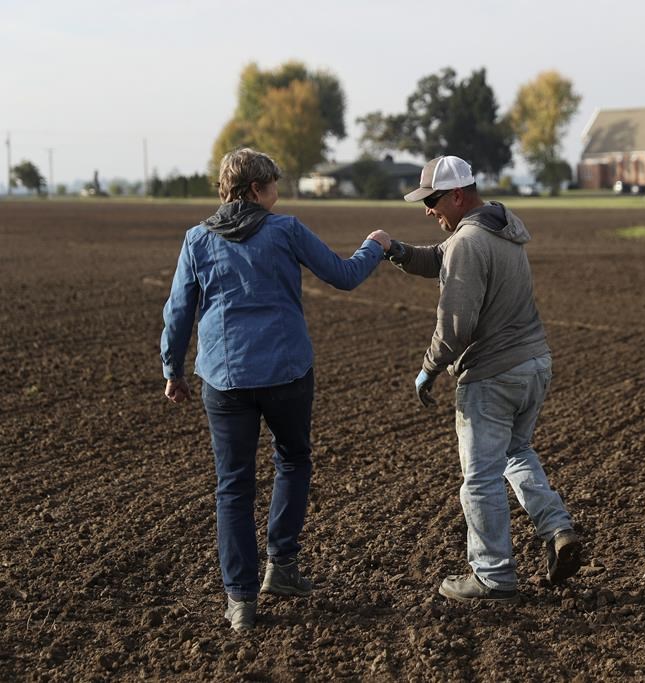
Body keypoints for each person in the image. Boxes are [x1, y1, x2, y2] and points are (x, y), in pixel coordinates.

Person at [160, 148, 391, 632]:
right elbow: (344, 275)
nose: (277, 194)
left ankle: (241, 601)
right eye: (272, 186)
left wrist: (172, 369)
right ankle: (282, 566)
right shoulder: (284, 230)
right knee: (292, 460)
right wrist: (375, 245)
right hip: (286, 373)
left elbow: (179, 311)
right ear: (254, 191)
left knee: (233, 486)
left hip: (224, 379)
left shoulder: (198, 239)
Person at [389, 155, 582, 603]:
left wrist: (428, 368)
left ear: (458, 195)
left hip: (492, 375)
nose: (427, 210)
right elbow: (440, 258)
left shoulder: (467, 243)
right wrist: (396, 251)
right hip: (534, 364)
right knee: (516, 451)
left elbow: (456, 324)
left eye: (433, 200)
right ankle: (556, 528)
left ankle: (492, 574)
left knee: (479, 478)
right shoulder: (501, 228)